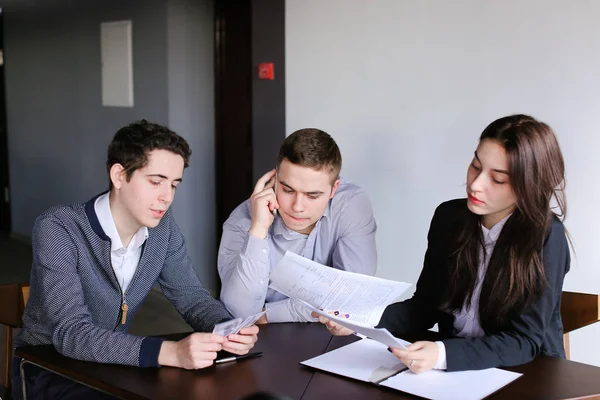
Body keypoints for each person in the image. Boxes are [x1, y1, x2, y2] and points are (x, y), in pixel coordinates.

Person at [13, 120, 259, 399]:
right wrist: (171, 352)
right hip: (47, 368)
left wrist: (227, 329)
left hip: (112, 365)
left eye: (174, 185)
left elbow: (192, 298)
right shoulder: (59, 227)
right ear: (119, 175)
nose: (166, 197)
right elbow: (71, 334)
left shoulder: (162, 228)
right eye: (155, 181)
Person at [316, 114, 570, 373]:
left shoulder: (547, 236)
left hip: (527, 372)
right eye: (475, 165)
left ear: (529, 186)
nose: (476, 184)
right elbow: (426, 307)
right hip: (454, 368)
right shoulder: (450, 218)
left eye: (498, 179)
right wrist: (362, 319)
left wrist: (442, 354)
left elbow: (523, 341)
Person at [218, 128, 377, 323]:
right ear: (274, 180)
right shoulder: (242, 221)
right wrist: (258, 230)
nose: (297, 207)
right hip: (262, 339)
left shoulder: (352, 205)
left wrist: (268, 314)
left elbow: (353, 298)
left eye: (312, 195)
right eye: (287, 190)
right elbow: (241, 315)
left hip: (330, 336)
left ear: (334, 189)